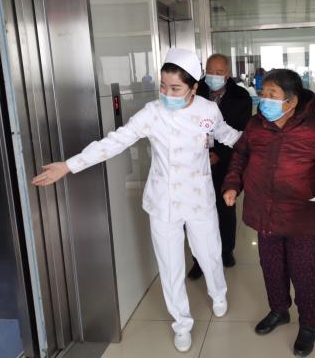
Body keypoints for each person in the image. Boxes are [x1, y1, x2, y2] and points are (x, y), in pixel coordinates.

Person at [31, 48, 241, 353]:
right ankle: (181, 323)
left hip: (199, 198)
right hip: (163, 201)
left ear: (194, 87)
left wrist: (264, 146)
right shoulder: (151, 113)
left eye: (175, 88)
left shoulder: (208, 110)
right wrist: (69, 165)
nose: (167, 94)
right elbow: (115, 141)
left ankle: (218, 294)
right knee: (170, 266)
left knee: (209, 254)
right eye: (163, 86)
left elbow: (228, 135)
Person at [222, 69, 315, 357]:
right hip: (264, 211)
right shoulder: (256, 124)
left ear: (292, 100)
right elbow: (240, 156)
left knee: (305, 273)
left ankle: (309, 325)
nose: (264, 100)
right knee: (272, 267)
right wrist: (232, 184)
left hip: (303, 216)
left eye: (271, 95)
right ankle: (279, 310)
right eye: (262, 93)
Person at [186, 54, 252, 280]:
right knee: (197, 212)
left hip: (226, 162)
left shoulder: (241, 96)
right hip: (196, 161)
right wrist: (201, 153)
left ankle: (226, 251)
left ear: (228, 74)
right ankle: (198, 260)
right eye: (210, 71)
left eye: (219, 72)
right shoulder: (194, 92)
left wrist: (220, 155)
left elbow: (239, 133)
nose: (214, 76)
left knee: (225, 208)